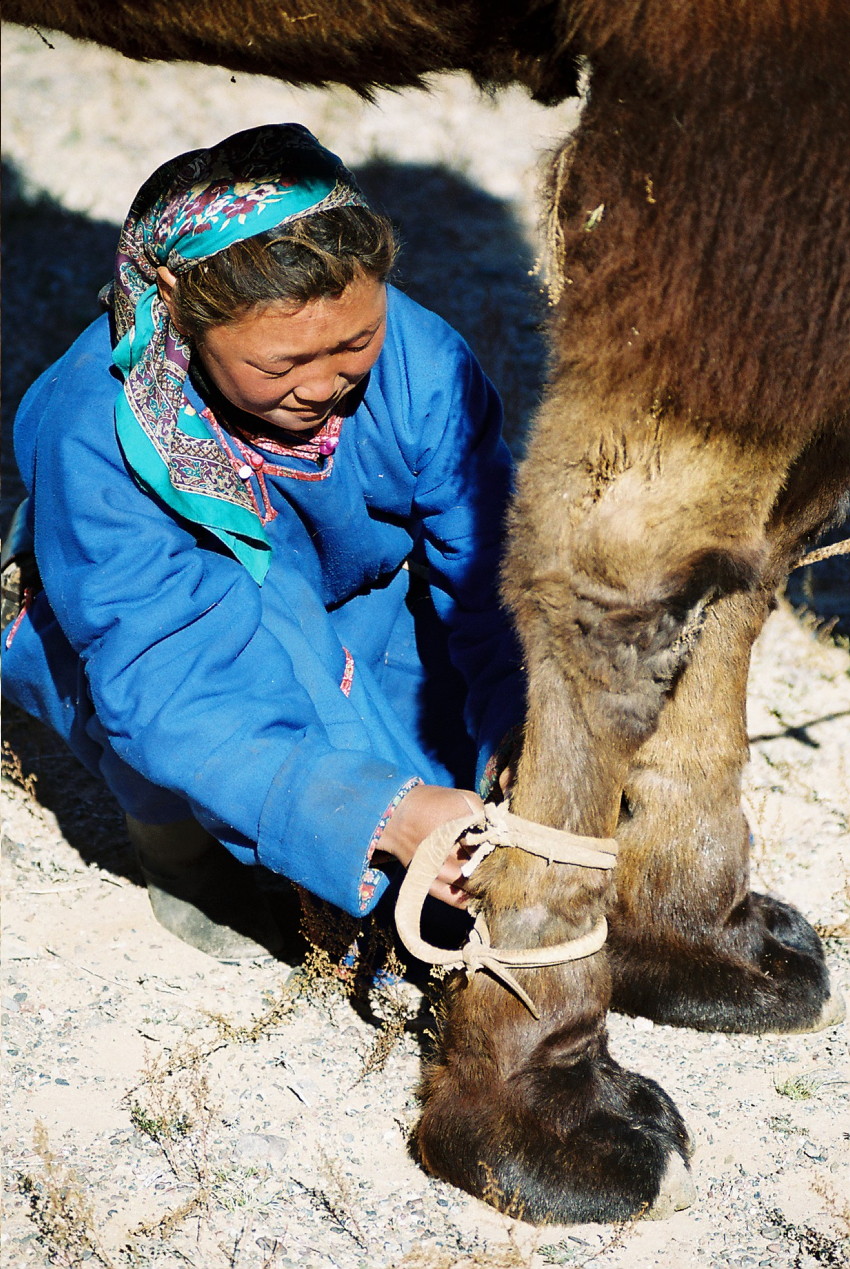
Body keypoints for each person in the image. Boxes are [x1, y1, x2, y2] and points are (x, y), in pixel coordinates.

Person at [2, 123, 525, 962]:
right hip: (171, 643)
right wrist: (386, 815)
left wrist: (521, 733)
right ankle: (180, 852)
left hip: (351, 606)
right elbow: (170, 683)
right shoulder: (95, 435)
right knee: (187, 737)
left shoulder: (421, 362)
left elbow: (494, 570)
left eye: (355, 343)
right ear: (177, 305)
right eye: (283, 363)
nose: (324, 384)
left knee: (470, 791)